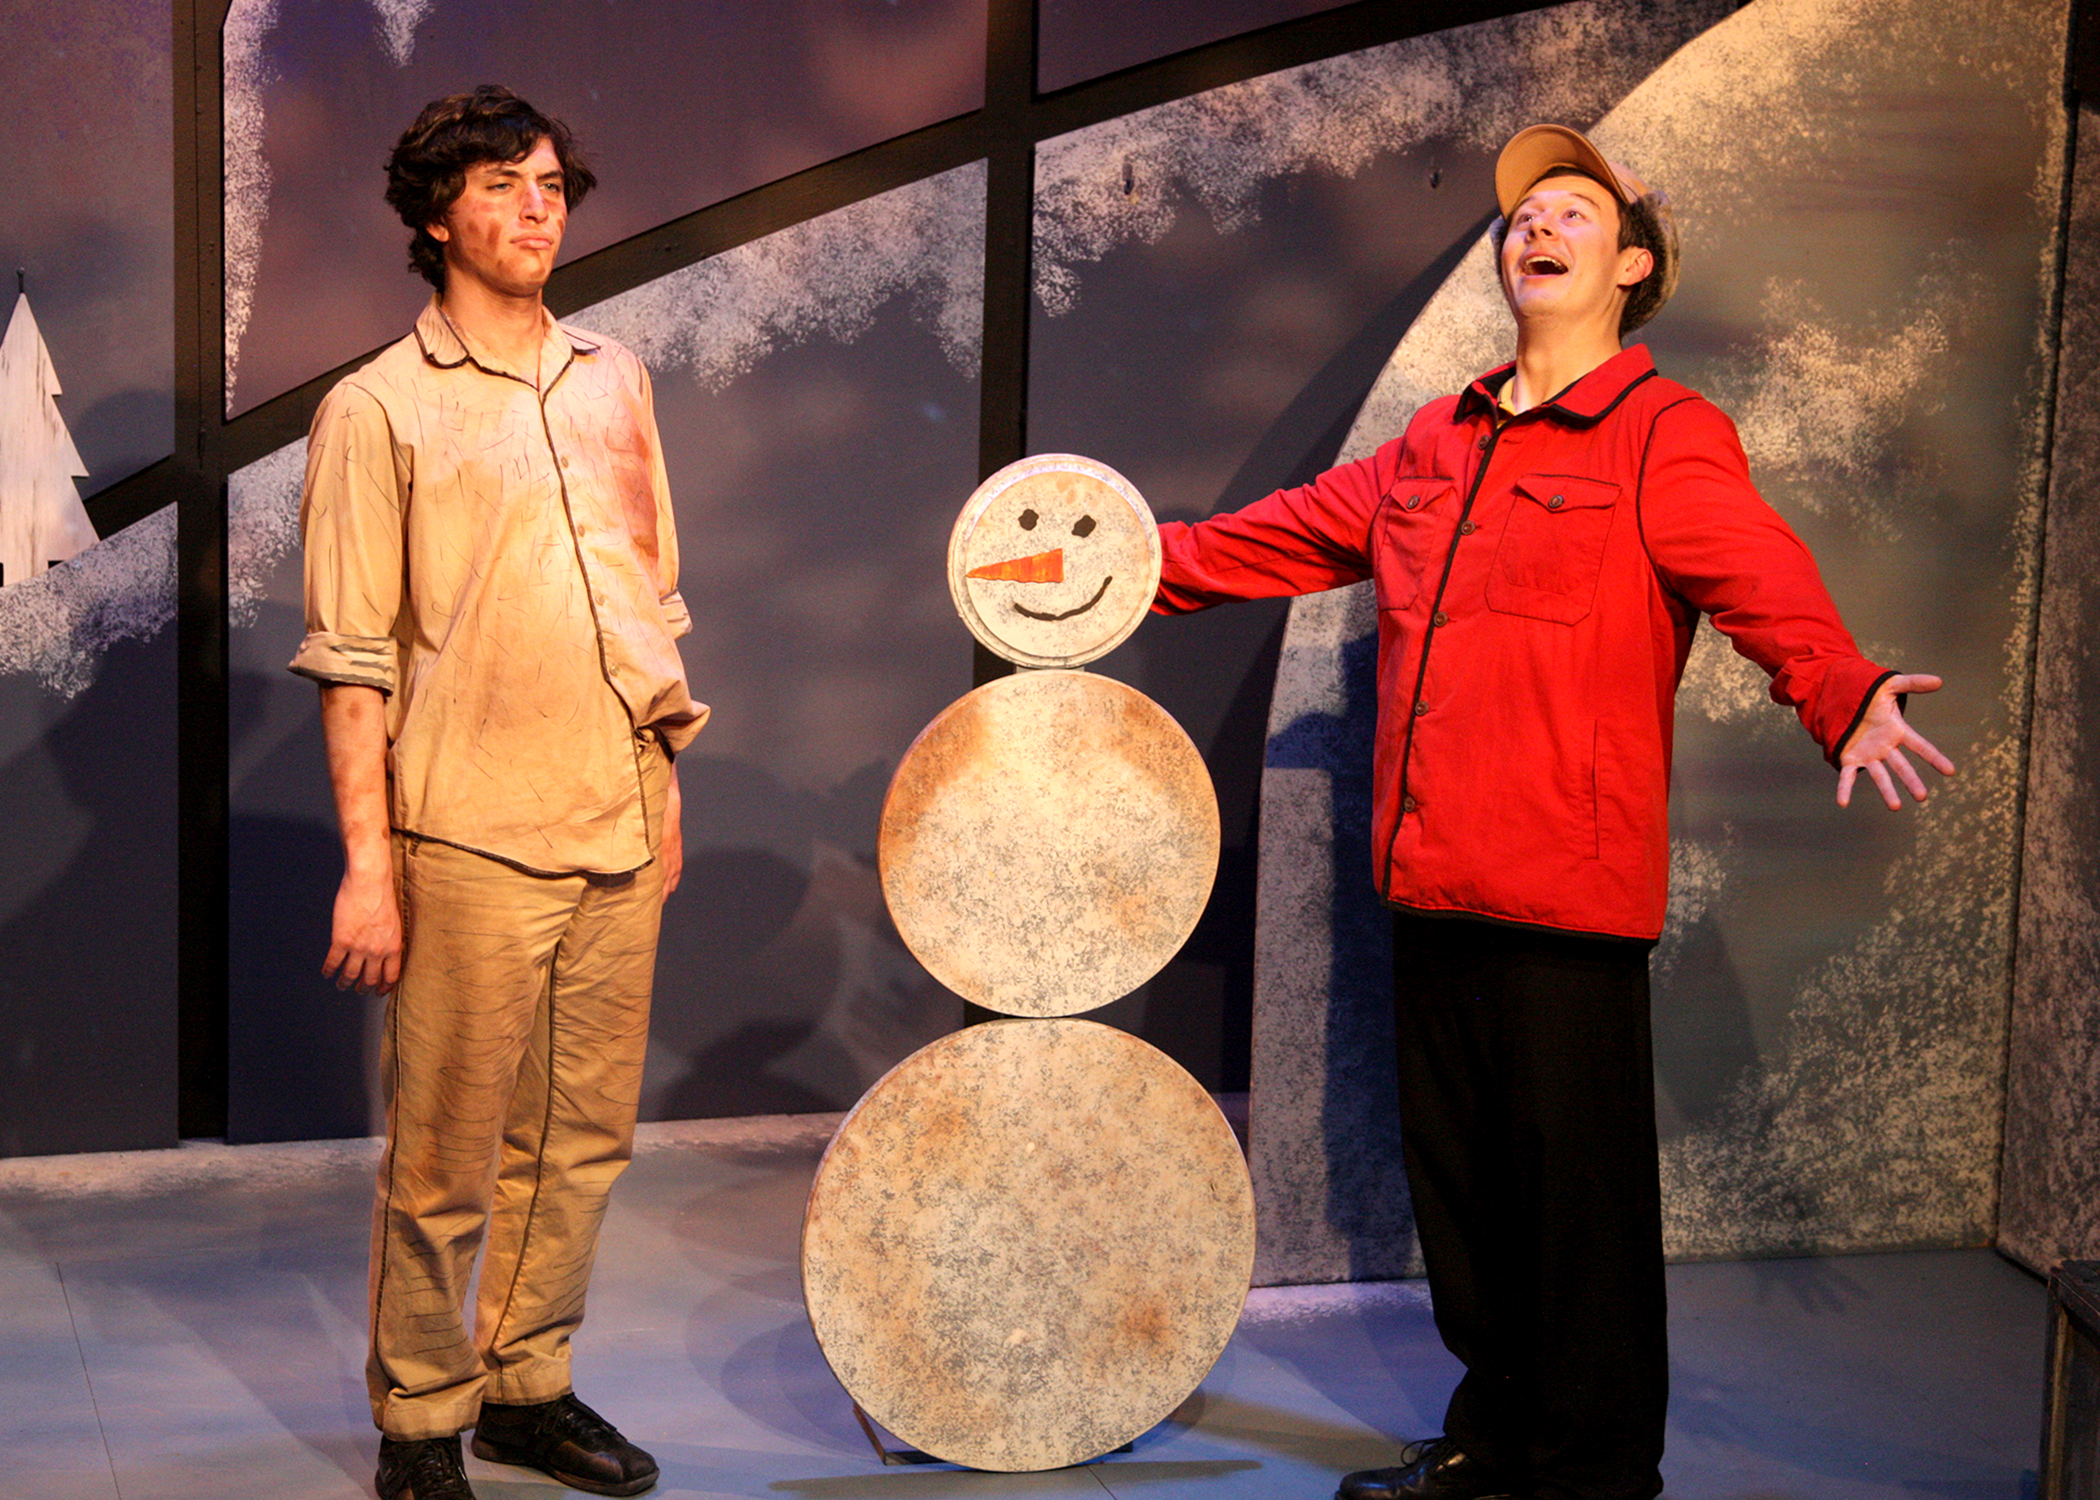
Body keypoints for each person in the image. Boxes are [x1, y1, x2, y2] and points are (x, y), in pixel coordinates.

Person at [1149, 124, 1953, 1500]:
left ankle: (1587, 1472)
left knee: (1573, 1219)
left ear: (1630, 264)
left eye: (1574, 209)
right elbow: (1263, 540)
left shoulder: (1663, 433)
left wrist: (1843, 689)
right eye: (1526, 212)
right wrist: (1097, 568)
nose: (1537, 224)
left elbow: (1762, 583)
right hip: (1429, 881)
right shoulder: (1434, 437)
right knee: (1461, 1207)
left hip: (1566, 898)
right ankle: (1495, 1437)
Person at [291, 85, 707, 1500]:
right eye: (501, 183)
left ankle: (528, 1386)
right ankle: (420, 1419)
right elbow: (353, 658)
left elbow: (653, 599)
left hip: (615, 808)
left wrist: (665, 780)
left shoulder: (617, 380)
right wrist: (368, 864)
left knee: (580, 1139)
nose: (540, 205)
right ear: (432, 214)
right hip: (465, 830)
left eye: (551, 181)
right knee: (447, 1155)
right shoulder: (375, 408)